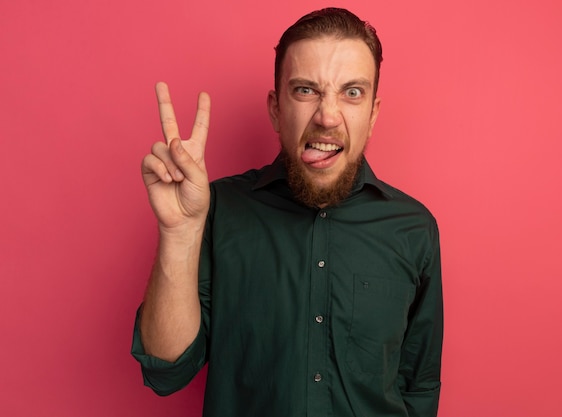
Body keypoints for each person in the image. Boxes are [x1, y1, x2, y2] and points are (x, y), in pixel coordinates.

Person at [132, 7, 443, 417]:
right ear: (276, 110)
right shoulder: (217, 209)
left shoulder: (414, 229)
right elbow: (166, 372)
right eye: (306, 90)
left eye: (352, 92)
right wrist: (178, 233)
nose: (327, 116)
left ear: (372, 115)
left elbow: (418, 386)